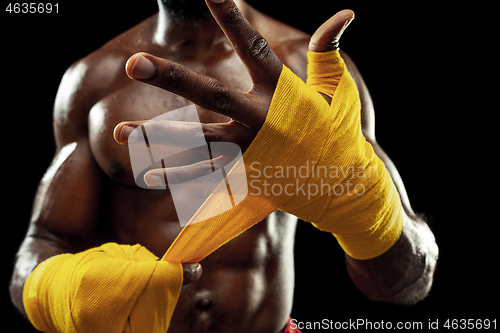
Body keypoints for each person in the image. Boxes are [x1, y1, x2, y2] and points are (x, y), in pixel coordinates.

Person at [10, 0, 439, 332]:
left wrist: (358, 203)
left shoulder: (308, 74)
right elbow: (45, 241)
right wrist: (64, 291)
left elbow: (407, 281)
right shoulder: (94, 81)